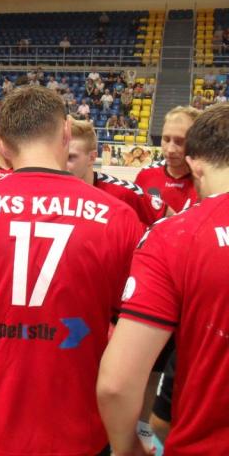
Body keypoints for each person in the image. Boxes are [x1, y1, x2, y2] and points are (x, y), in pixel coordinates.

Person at [0, 86, 144, 455]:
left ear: (1, 144)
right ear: (66, 131)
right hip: (79, 432)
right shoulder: (119, 218)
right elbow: (133, 343)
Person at [97, 103, 229, 455]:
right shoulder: (150, 184)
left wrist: (126, 447)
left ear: (195, 162)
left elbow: (115, 384)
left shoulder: (175, 235)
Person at [67, 119, 156, 226]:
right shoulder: (52, 191)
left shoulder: (124, 192)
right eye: (60, 156)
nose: (61, 163)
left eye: (70, 157)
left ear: (92, 158)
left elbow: (170, 220)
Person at [134, 106, 201, 221]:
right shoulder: (145, 176)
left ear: (197, 142)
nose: (170, 150)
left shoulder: (207, 183)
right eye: (166, 139)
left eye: (179, 142)